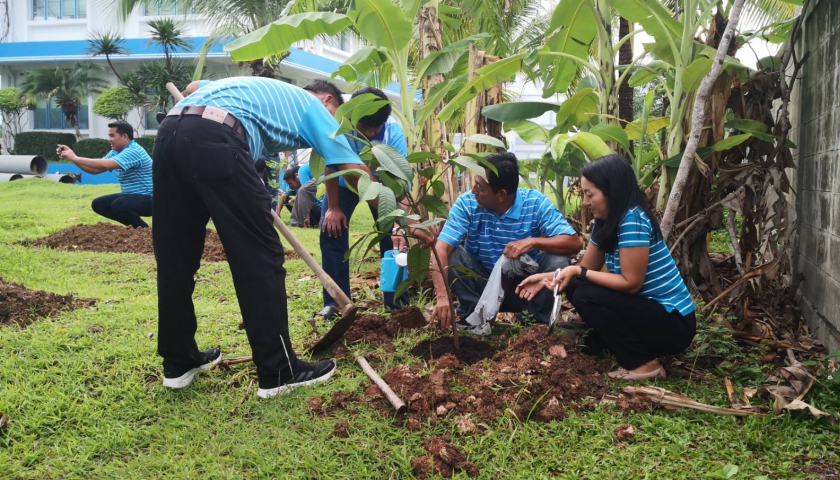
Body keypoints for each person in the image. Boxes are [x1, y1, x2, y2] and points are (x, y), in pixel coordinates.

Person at [153, 77, 379, 399]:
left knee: (175, 256)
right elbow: (352, 169)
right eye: (336, 116)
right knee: (259, 257)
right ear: (328, 100)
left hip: (170, 132)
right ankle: (279, 371)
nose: (335, 126)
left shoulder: (252, 89)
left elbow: (192, 87)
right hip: (217, 136)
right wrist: (395, 218)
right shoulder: (314, 107)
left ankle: (178, 362)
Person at [516, 155, 697, 381]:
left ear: (612, 191)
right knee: (575, 285)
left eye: (590, 194)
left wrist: (578, 272)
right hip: (648, 313)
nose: (585, 202)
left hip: (673, 324)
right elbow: (585, 269)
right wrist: (545, 277)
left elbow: (631, 283)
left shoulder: (632, 220)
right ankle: (610, 343)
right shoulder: (607, 221)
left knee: (586, 293)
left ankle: (644, 364)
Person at [430, 152, 582, 328]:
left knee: (558, 260)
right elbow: (441, 249)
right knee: (453, 254)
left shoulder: (535, 203)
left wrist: (532, 241)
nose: (473, 191)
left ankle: (534, 322)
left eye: (480, 187)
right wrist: (442, 298)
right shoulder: (467, 203)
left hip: (525, 288)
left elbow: (574, 243)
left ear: (501, 195)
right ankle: (473, 318)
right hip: (482, 285)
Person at [318, 86, 411, 317]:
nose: (369, 133)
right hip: (344, 183)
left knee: (394, 239)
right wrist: (333, 207)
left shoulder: (392, 135)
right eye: (364, 127)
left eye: (375, 128)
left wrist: (399, 224)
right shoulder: (339, 128)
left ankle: (397, 303)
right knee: (331, 232)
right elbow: (330, 165)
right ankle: (336, 303)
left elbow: (400, 184)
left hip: (382, 187)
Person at [55, 121, 153, 228]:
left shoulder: (133, 151)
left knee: (119, 205)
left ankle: (144, 230)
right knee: (99, 204)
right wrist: (73, 159)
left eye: (112, 136)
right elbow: (95, 170)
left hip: (151, 199)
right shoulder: (116, 152)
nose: (109, 139)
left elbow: (106, 164)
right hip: (132, 196)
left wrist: (75, 157)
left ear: (125, 137)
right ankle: (136, 228)